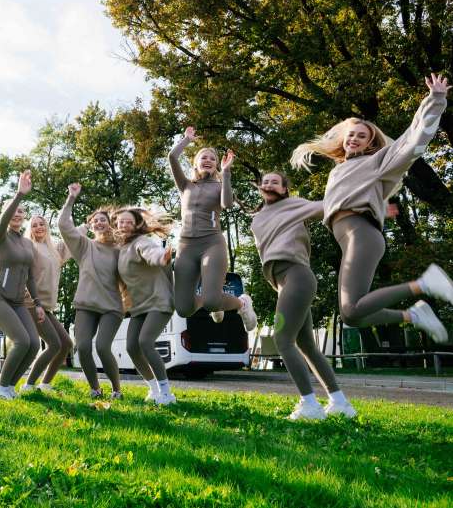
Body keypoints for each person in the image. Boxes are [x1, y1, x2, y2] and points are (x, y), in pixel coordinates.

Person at [290, 74, 452, 344]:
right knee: (350, 314)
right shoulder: (340, 170)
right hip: (352, 237)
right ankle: (413, 316)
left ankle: (426, 284)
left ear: (370, 143)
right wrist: (379, 205)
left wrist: (435, 100)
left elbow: (412, 141)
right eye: (351, 134)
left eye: (361, 136)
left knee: (352, 308)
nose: (354, 139)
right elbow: (339, 202)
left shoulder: (376, 161)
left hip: (361, 235)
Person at [250, 172, 355, 420]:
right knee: (306, 345)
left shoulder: (296, 205)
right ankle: (340, 403)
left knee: (282, 339)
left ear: (285, 189)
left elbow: (328, 206)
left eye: (275, 182)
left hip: (297, 276)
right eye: (265, 182)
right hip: (284, 284)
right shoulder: (257, 218)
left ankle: (309, 405)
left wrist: (369, 204)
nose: (268, 185)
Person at [168, 127, 257, 331]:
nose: (208, 160)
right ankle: (215, 301)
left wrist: (226, 173)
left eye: (212, 159)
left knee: (211, 301)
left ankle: (242, 303)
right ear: (196, 163)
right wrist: (187, 139)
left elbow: (227, 204)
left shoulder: (219, 186)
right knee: (183, 308)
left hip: (211, 244)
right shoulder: (185, 185)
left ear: (217, 164)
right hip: (186, 247)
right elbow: (172, 156)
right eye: (203, 157)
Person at [59, 183, 124, 399]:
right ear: (91, 225)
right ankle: (95, 389)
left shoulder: (119, 249)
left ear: (109, 224)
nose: (98, 222)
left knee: (104, 347)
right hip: (86, 304)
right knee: (83, 347)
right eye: (94, 220)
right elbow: (63, 225)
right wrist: (71, 198)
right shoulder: (84, 246)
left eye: (102, 219)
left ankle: (117, 390)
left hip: (112, 306)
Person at [0, 171, 45, 399]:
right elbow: (3, 220)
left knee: (33, 345)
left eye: (21, 211)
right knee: (21, 341)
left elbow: (30, 276)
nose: (17, 214)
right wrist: (19, 195)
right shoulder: (1, 236)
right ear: (6, 214)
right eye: (13, 210)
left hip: (19, 301)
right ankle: (1, 388)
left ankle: (10, 386)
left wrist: (38, 303)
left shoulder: (28, 244)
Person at [114, 207, 176, 405]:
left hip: (159, 300)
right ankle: (154, 390)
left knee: (145, 342)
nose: (124, 225)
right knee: (132, 346)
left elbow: (152, 253)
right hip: (139, 306)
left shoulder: (141, 242)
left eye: (129, 222)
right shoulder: (119, 249)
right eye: (121, 221)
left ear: (136, 225)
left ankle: (167, 393)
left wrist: (162, 257)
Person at [20, 214, 74, 393]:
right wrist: (35, 303)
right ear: (30, 229)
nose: (38, 228)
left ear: (47, 227)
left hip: (47, 307)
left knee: (66, 344)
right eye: (34, 225)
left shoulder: (52, 249)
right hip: (32, 304)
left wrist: (87, 226)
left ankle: (45, 384)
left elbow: (71, 241)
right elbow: (25, 276)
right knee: (55, 344)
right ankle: (29, 385)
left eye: (41, 224)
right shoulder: (30, 247)